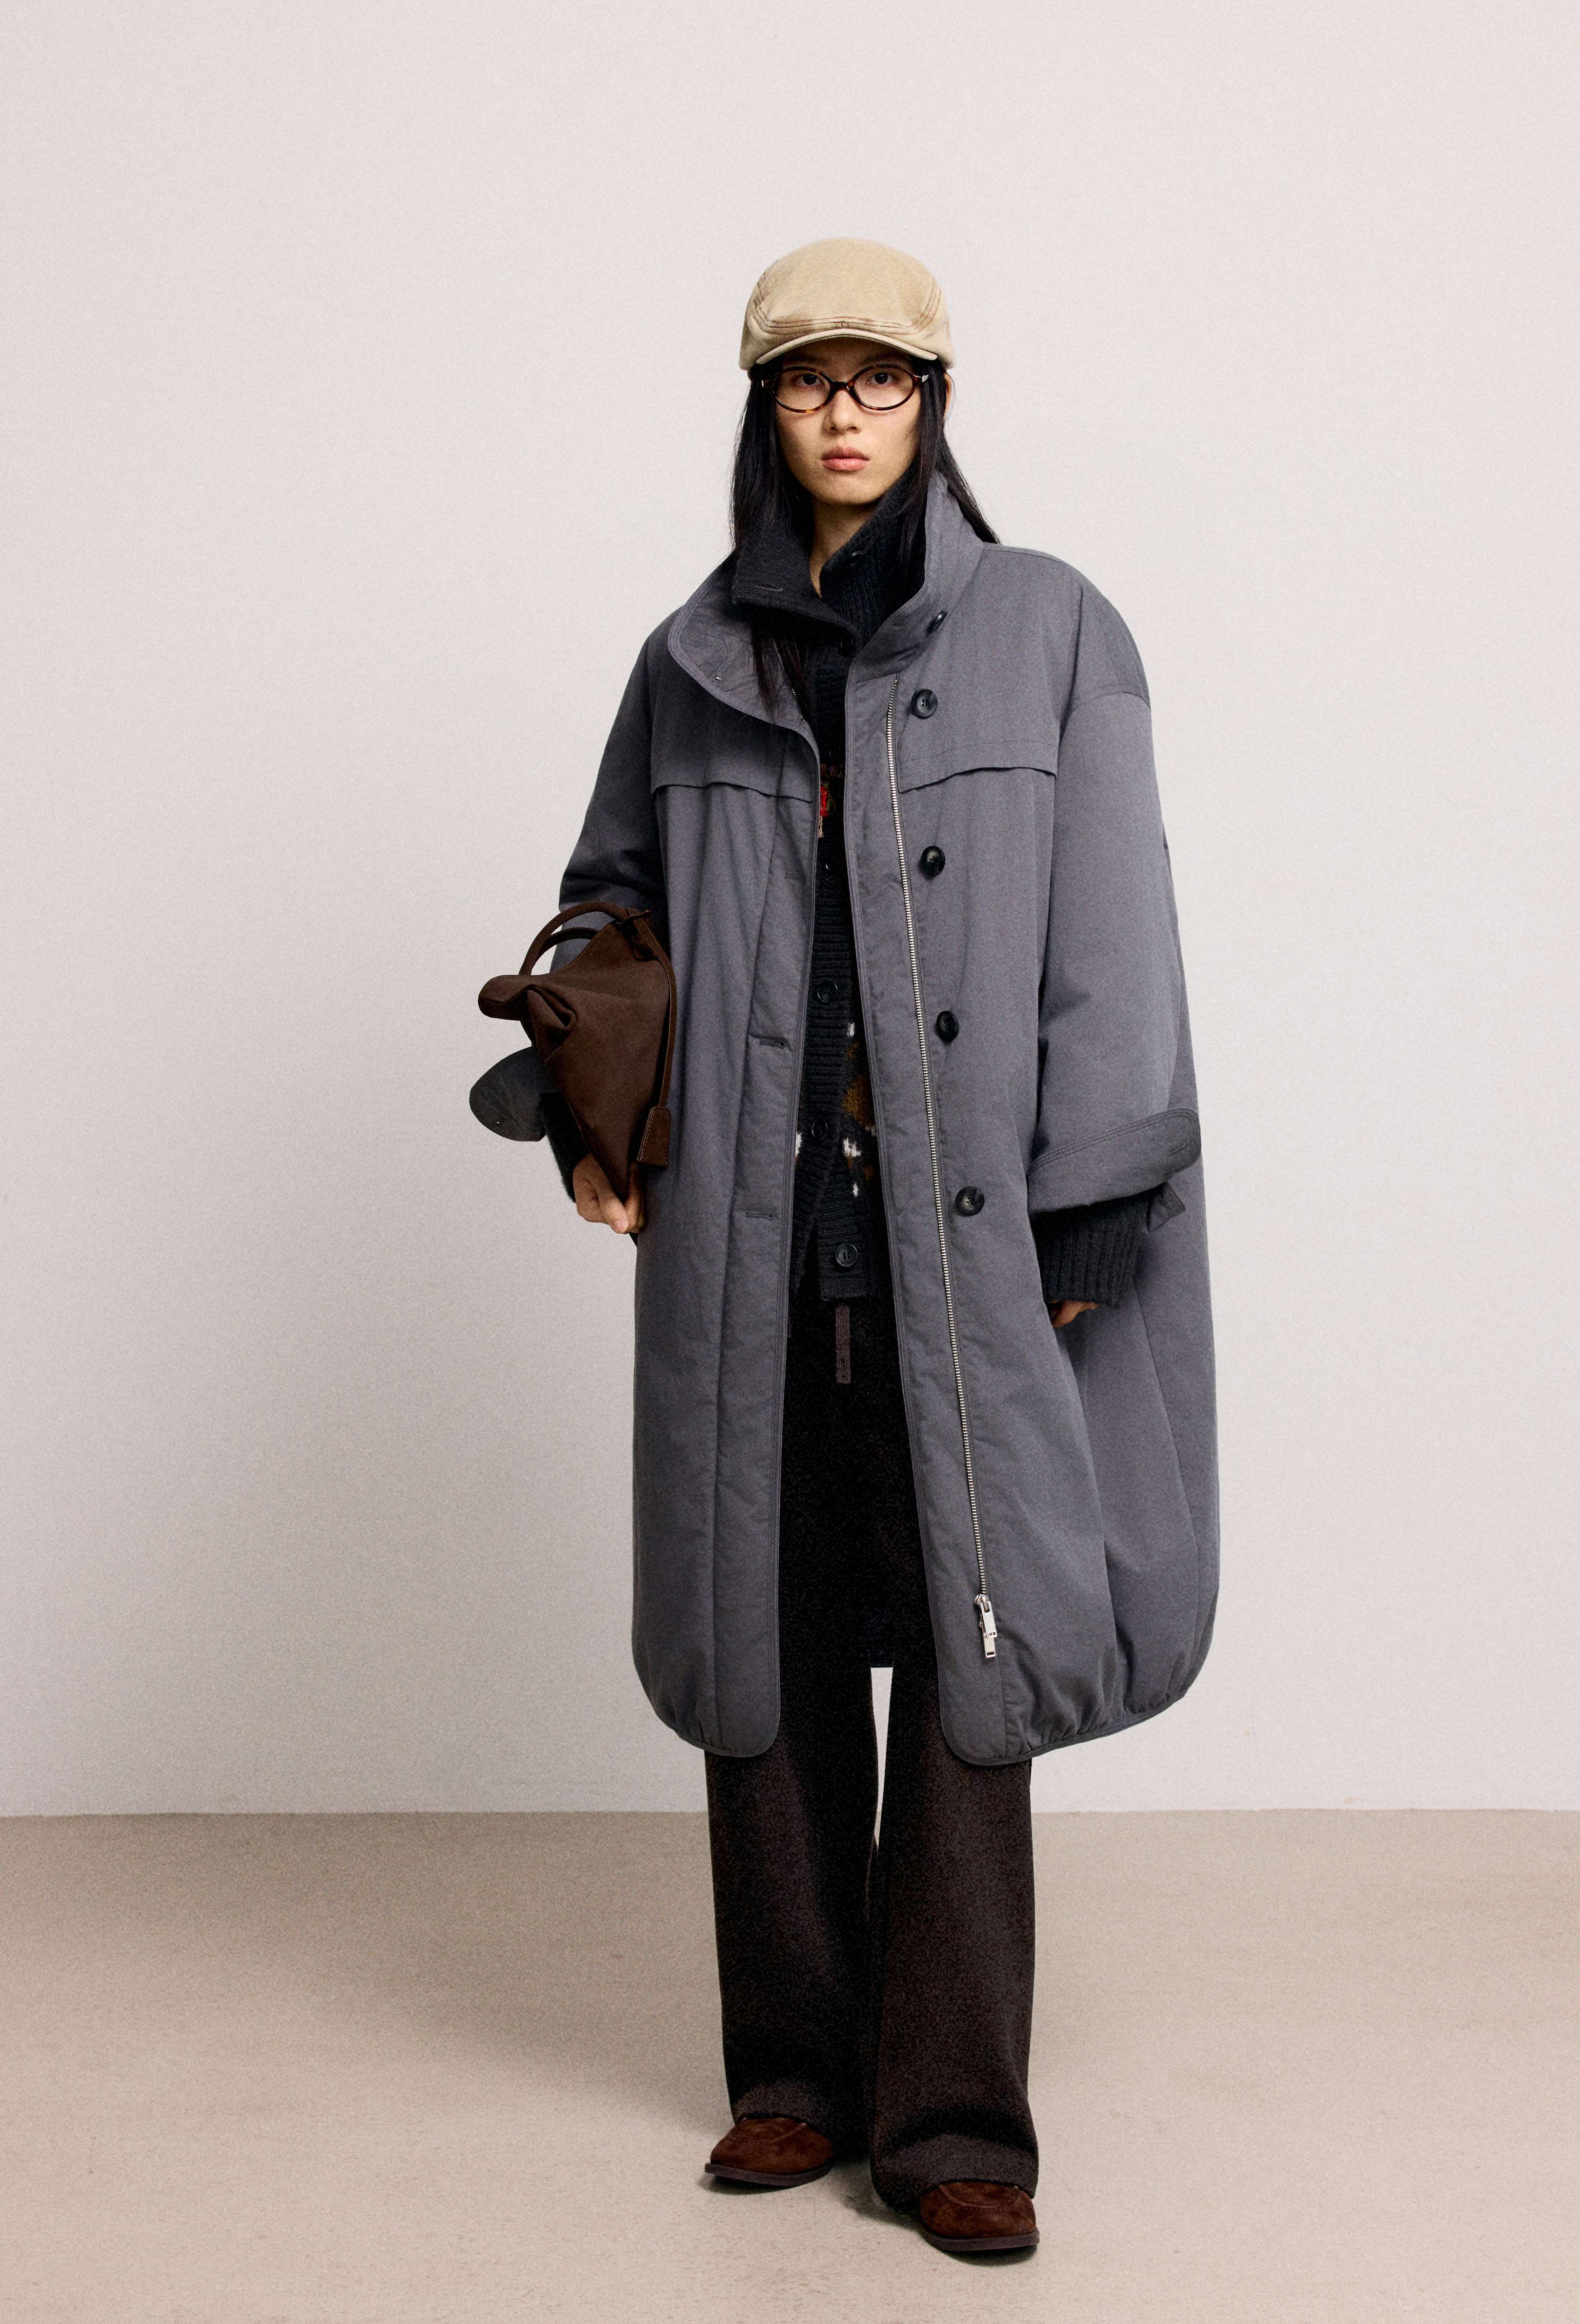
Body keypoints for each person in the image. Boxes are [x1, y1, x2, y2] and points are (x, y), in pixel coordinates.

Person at [482, 238, 1217, 2258]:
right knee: (774, 1645)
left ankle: (956, 2117)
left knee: (980, 1671)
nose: (844, 411)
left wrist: (1090, 1194)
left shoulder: (1054, 629)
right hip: (755, 1238)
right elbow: (613, 899)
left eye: (879, 378)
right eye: (808, 379)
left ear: (932, 402)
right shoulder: (689, 658)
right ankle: (793, 2078)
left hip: (969, 1252)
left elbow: (1117, 926)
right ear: (765, 407)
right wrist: (591, 1102)